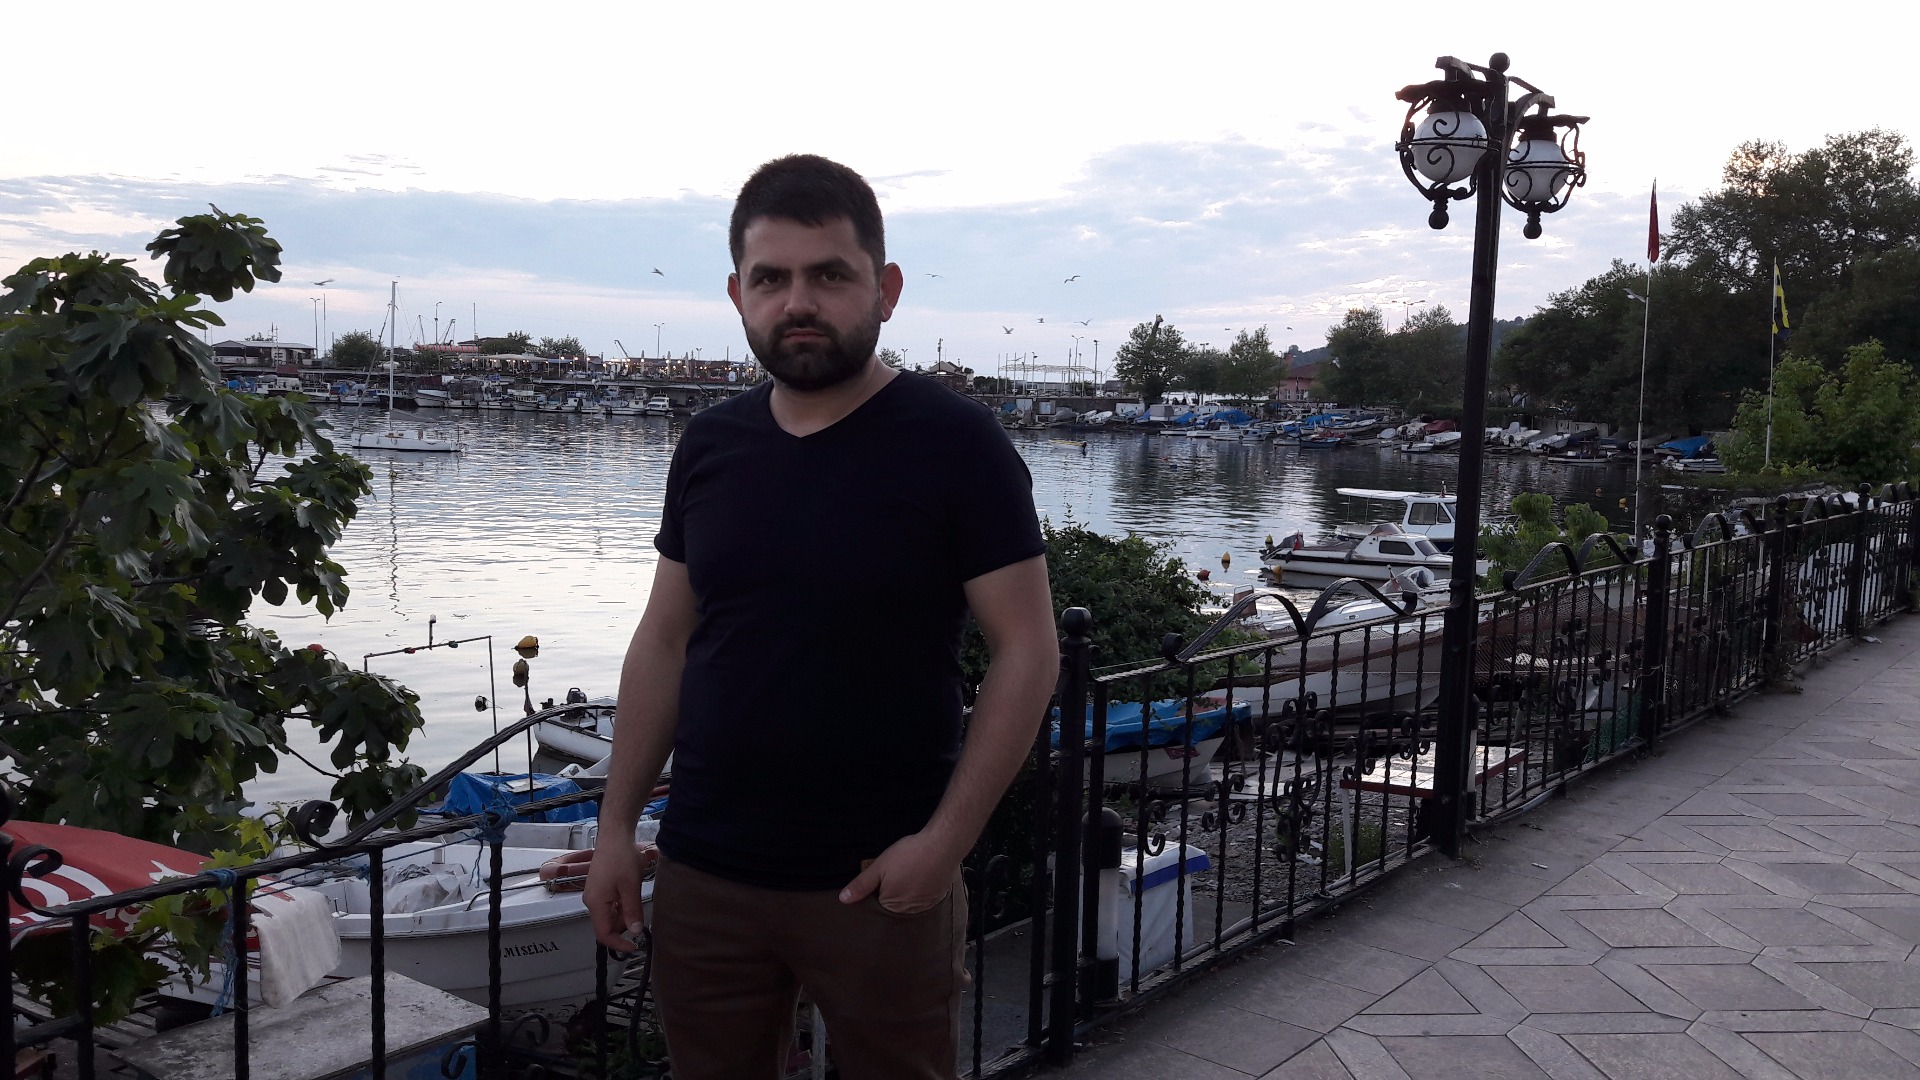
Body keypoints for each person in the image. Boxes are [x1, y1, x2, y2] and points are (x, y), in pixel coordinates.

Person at [583, 154, 1058, 1080]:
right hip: (706, 873)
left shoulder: (957, 443)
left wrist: (943, 846)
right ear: (738, 295)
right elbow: (665, 641)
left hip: (880, 879)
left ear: (885, 289)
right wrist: (614, 831)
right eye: (771, 279)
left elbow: (1027, 651)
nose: (798, 302)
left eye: (829, 275)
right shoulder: (711, 444)